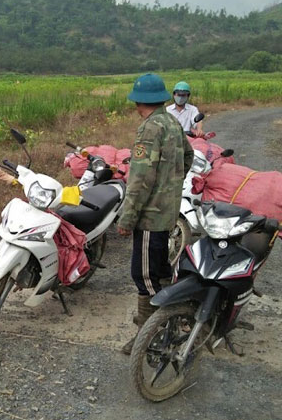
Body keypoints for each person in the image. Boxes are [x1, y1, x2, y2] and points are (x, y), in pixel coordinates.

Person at [116, 73, 194, 354]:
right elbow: (189, 155)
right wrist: (172, 184)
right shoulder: (172, 122)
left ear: (139, 101)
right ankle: (152, 331)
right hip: (167, 212)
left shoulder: (149, 129)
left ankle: (154, 333)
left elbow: (139, 179)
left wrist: (127, 218)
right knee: (159, 272)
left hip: (150, 215)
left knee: (145, 276)